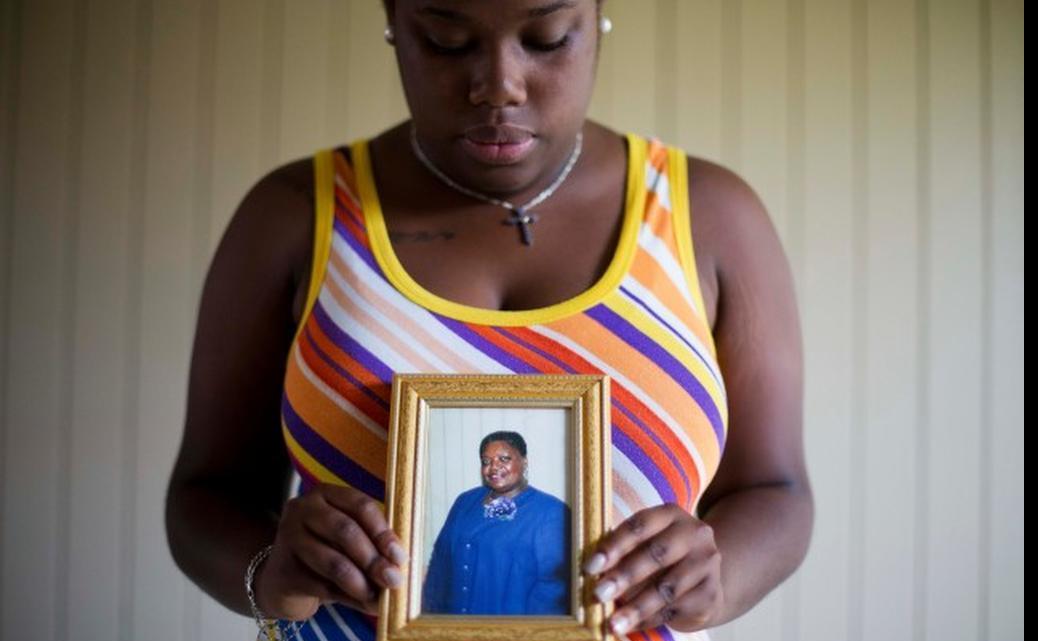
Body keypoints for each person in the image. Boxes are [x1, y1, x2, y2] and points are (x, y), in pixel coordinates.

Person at [166, 1, 814, 640]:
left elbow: (775, 488)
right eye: (447, 41)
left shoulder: (708, 215)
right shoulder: (294, 214)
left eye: (547, 37)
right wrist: (268, 570)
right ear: (393, 20)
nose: (498, 87)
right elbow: (204, 494)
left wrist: (717, 576)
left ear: (597, 18)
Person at [421, 431, 571, 616]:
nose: (493, 467)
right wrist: (430, 617)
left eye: (504, 459)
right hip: (453, 624)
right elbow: (440, 562)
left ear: (524, 462)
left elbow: (552, 588)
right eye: (486, 461)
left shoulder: (551, 512)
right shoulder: (465, 501)